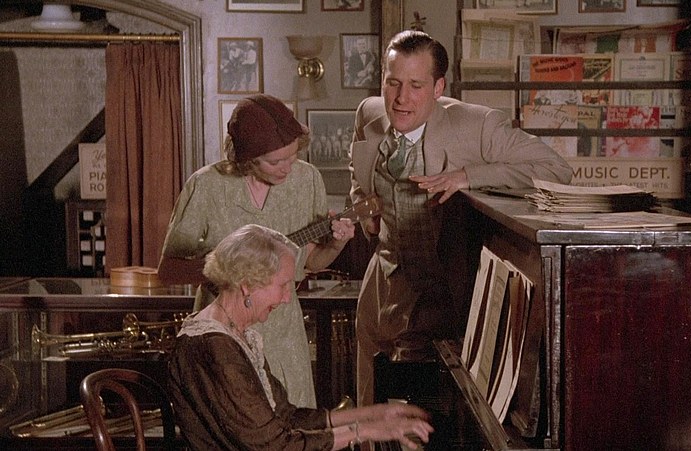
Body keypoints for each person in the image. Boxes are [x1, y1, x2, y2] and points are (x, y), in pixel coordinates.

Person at [348, 30, 573, 406]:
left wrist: (468, 176)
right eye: (393, 82)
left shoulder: (477, 126)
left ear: (438, 87)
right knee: (370, 408)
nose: (401, 98)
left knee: (426, 416)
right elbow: (358, 167)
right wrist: (364, 207)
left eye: (416, 86)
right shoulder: (369, 114)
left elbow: (557, 169)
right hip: (381, 292)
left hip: (446, 300)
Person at [158, 94, 355, 408]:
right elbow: (169, 270)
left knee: (294, 423)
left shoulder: (306, 180)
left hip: (285, 334)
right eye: (275, 162)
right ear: (246, 159)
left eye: (292, 156)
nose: (287, 168)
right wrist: (230, 266)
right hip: (224, 335)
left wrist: (336, 243)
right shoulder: (207, 185)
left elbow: (311, 262)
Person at [168, 224, 433, 450]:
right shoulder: (213, 347)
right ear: (247, 285)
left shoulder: (233, 334)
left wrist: (373, 414)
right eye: (283, 285)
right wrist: (364, 431)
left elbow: (285, 417)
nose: (287, 298)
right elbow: (275, 445)